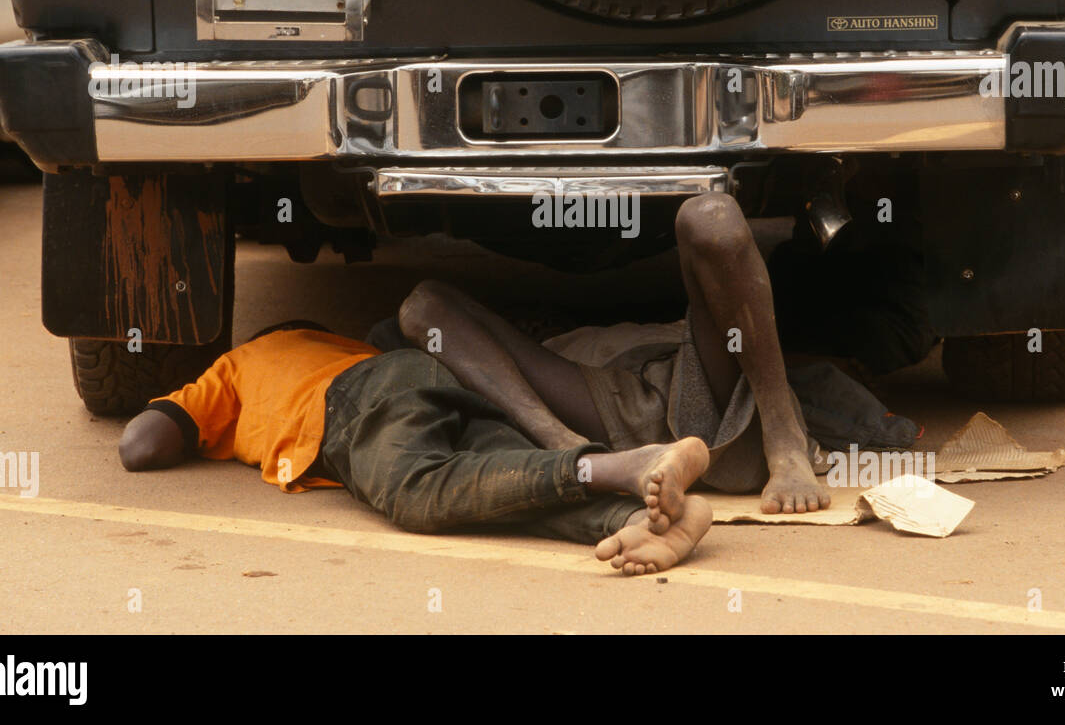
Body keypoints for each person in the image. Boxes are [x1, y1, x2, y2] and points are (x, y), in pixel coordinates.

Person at [394, 192, 907, 516]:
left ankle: (783, 435)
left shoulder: (599, 332)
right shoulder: (554, 348)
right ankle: (578, 454)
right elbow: (428, 318)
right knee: (422, 306)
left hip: (709, 385)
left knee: (710, 215)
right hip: (610, 415)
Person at [117, 323, 713, 576]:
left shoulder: (238, 365)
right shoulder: (333, 343)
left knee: (416, 494)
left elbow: (140, 447)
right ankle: (645, 518)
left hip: (354, 403)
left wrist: (176, 403)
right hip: (422, 381)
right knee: (493, 485)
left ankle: (623, 464)